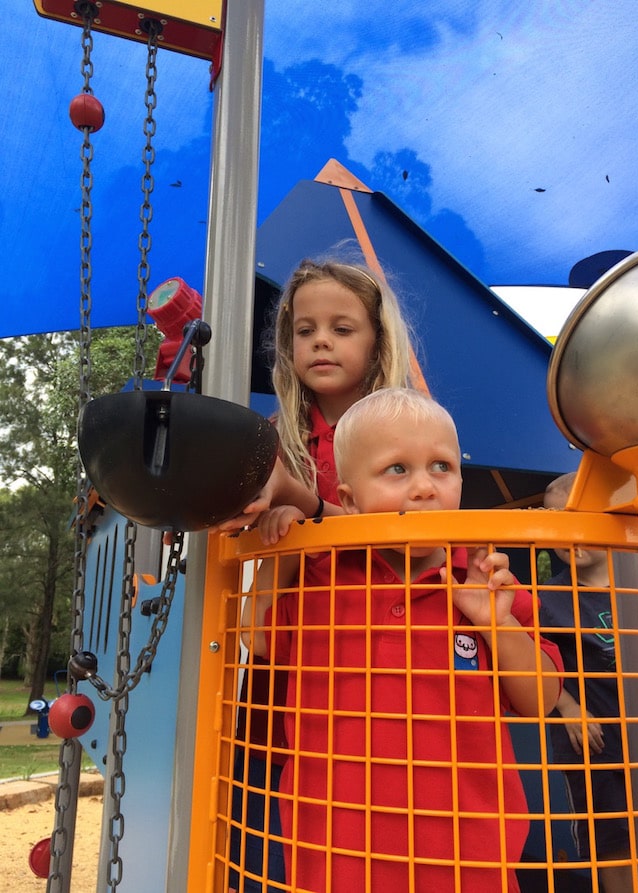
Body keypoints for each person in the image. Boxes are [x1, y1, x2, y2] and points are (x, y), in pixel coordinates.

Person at [242, 388, 563, 892]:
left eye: (441, 467)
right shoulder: (324, 578)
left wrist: (496, 625)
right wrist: (286, 549)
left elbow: (542, 698)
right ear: (348, 500)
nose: (424, 487)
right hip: (338, 856)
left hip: (468, 860)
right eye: (397, 470)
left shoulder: (483, 576)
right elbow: (255, 635)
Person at [227, 258, 416, 892]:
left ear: (378, 340)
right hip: (292, 648)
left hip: (379, 651)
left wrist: (304, 505)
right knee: (268, 813)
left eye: (342, 328)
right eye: (305, 331)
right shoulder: (278, 438)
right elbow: (256, 532)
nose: (321, 342)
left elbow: (404, 544)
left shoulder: (404, 429)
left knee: (377, 810)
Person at [540, 472, 634, 893]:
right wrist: (569, 708)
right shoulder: (548, 598)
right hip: (594, 743)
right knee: (611, 845)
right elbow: (536, 658)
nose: (570, 530)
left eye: (581, 516)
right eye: (557, 520)